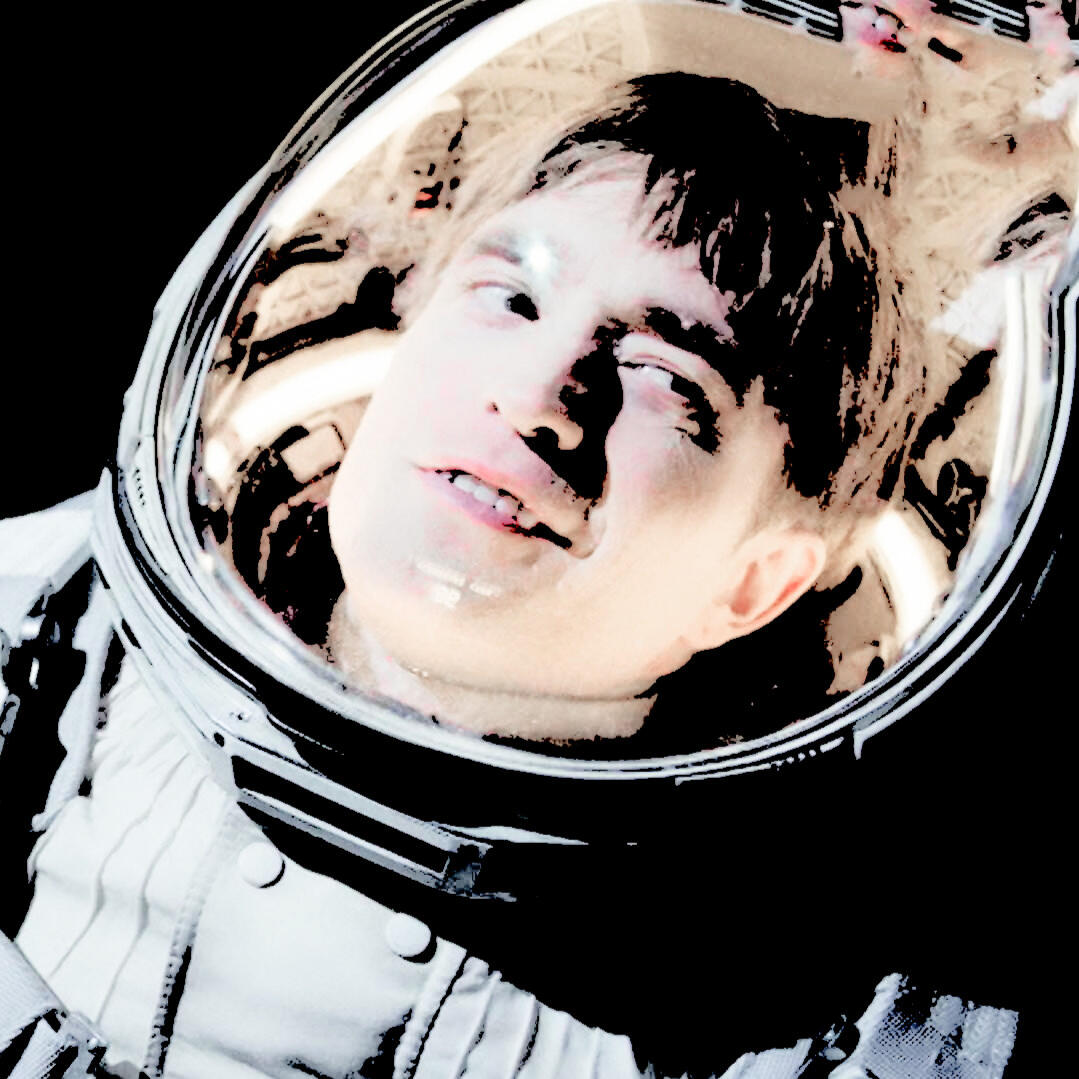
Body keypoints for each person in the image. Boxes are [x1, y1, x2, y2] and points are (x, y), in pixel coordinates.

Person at [0, 28, 1049, 1079]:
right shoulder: (53, 610)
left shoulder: (839, 1002)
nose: (541, 392)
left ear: (753, 582)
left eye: (667, 377)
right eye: (512, 298)